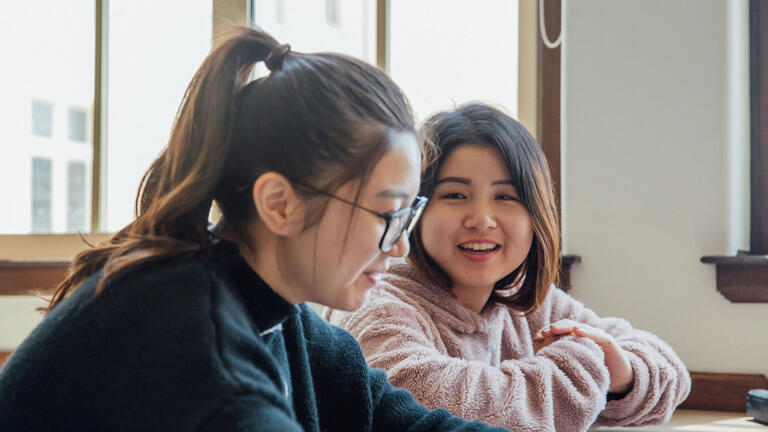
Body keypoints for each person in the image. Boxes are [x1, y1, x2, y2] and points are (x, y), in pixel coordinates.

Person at [0, 29, 509, 432]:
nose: (400, 246)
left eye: (407, 215)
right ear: (279, 204)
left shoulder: (272, 312)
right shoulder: (202, 356)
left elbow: (393, 420)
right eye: (386, 214)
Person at [326, 103, 691, 432]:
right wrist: (585, 363)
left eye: (505, 196)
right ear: (415, 209)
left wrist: (621, 371)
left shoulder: (524, 302)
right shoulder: (375, 303)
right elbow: (436, 407)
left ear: (536, 215)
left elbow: (671, 373)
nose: (482, 219)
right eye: (455, 195)